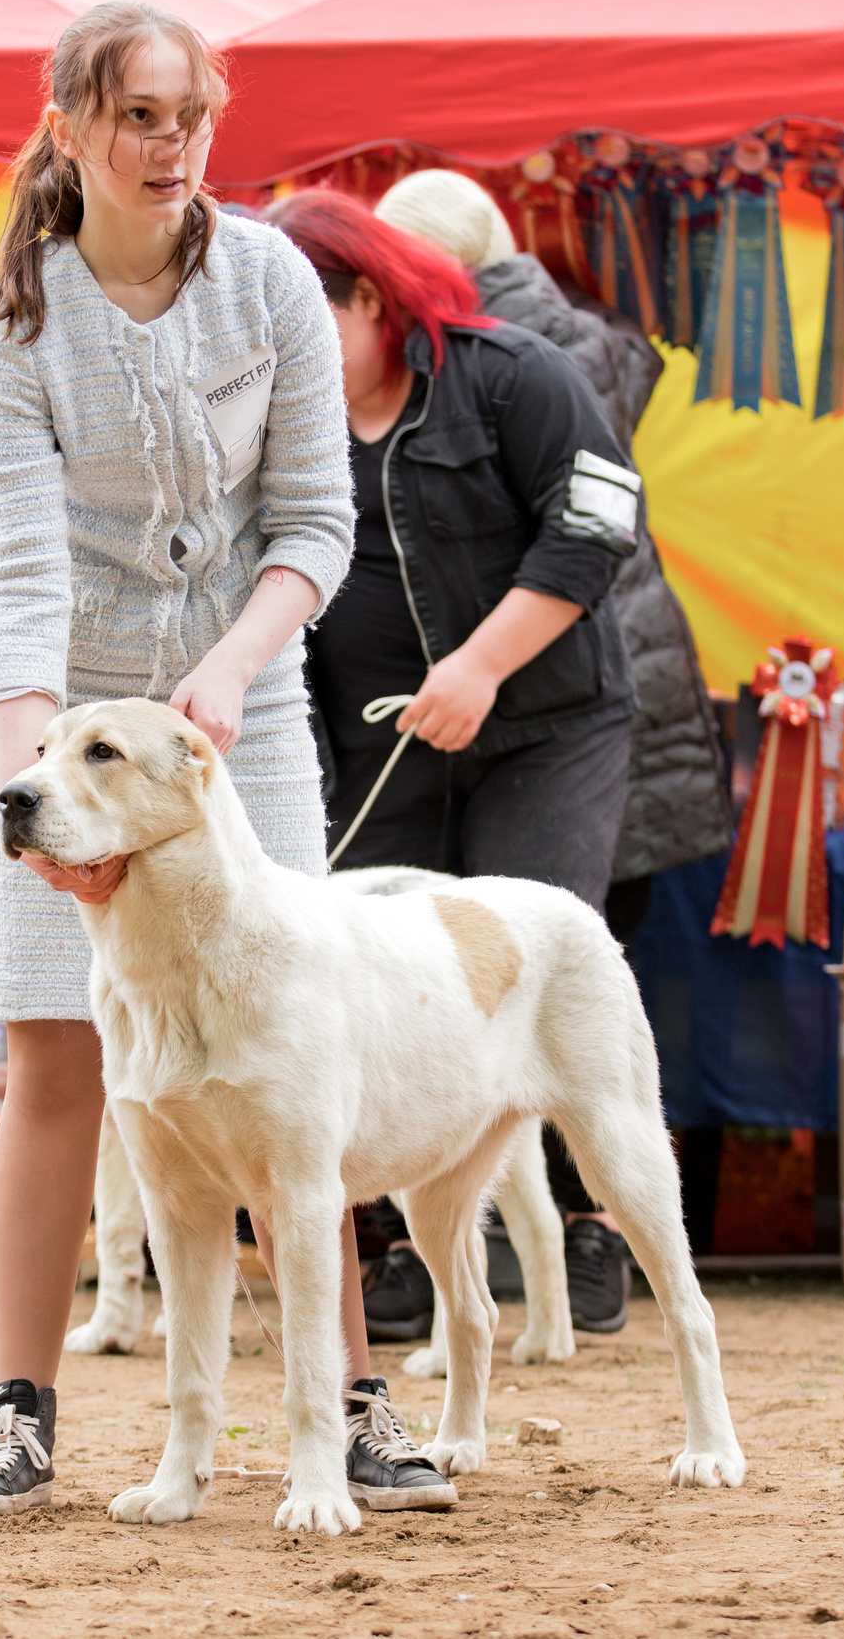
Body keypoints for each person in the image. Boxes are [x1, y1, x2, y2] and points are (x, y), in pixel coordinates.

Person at [0, 2, 454, 1521]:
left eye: (192, 117)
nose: (174, 147)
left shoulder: (279, 282)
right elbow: (23, 574)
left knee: (298, 1058)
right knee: (57, 1051)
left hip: (248, 716)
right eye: (143, 118)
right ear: (71, 132)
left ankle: (351, 1405)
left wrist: (227, 674)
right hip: (64, 716)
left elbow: (312, 527)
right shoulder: (14, 324)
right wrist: (39, 783)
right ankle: (21, 1412)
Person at [257, 188, 649, 1341]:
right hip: (377, 752)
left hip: (548, 732)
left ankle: (591, 1234)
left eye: (303, 324)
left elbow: (597, 522)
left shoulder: (515, 373)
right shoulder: (287, 419)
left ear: (370, 300)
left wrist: (480, 667)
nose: (281, 357)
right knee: (373, 987)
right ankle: (398, 1254)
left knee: (533, 968)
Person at [371, 170, 734, 1338]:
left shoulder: (532, 357)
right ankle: (518, 1248)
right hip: (530, 696)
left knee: (554, 982)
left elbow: (585, 521)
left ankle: (584, 1239)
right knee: (542, 974)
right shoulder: (595, 338)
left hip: (571, 697)